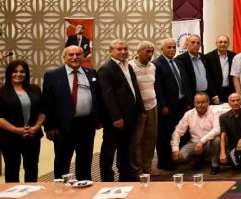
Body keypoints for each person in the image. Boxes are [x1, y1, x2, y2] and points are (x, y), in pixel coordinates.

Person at [43, 46, 102, 180]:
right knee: (62, 161)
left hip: (86, 125)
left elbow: (98, 97)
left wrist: (99, 119)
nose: (75, 57)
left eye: (78, 54)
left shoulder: (91, 73)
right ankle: (61, 189)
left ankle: (85, 185)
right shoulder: (52, 76)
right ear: (64, 58)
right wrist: (49, 127)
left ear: (83, 57)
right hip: (62, 126)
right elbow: (47, 102)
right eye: (71, 55)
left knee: (85, 160)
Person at [98, 40, 144, 182]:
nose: (123, 51)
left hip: (130, 115)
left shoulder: (128, 66)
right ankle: (107, 179)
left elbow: (134, 88)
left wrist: (140, 110)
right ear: (111, 51)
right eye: (119, 49)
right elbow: (108, 95)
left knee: (125, 148)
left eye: (125, 49)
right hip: (116, 119)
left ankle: (125, 175)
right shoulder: (106, 69)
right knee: (109, 150)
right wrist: (116, 117)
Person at [0, 61, 45, 182]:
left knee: (32, 168)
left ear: (26, 73)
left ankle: (31, 193)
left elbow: (42, 111)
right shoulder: (2, 92)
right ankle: (13, 193)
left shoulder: (35, 89)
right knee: (12, 168)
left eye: (22, 71)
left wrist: (36, 127)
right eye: (15, 71)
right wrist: (16, 130)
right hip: (10, 137)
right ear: (9, 73)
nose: (18, 74)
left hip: (32, 135)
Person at [153, 38, 189, 171]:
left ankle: (175, 157)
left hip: (180, 103)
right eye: (169, 47)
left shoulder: (178, 62)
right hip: (167, 106)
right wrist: (163, 105)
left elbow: (185, 83)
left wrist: (188, 101)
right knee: (165, 134)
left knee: (178, 132)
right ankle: (164, 162)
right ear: (162, 49)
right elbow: (157, 87)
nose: (172, 49)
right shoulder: (157, 64)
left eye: (174, 47)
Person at [171, 93, 221, 174]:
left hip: (209, 142)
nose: (200, 105)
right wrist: (175, 149)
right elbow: (177, 132)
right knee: (179, 158)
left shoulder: (215, 112)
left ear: (208, 102)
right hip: (194, 143)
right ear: (194, 103)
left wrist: (201, 141)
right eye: (197, 102)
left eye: (203, 102)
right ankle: (199, 158)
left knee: (217, 140)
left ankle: (214, 164)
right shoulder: (188, 114)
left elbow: (217, 129)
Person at [128, 41, 158, 176]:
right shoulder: (130, 66)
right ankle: (137, 169)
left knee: (150, 138)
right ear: (138, 52)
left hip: (153, 105)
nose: (150, 54)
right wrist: (139, 109)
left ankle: (148, 167)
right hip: (138, 108)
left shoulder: (153, 66)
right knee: (137, 139)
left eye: (152, 52)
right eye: (147, 51)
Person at [175, 34, 210, 104]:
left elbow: (209, 76)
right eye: (193, 42)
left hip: (206, 93)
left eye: (198, 43)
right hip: (191, 96)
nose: (195, 45)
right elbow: (183, 82)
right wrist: (188, 101)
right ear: (187, 44)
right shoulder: (180, 59)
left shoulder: (204, 57)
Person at [204, 35, 236, 104]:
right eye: (220, 42)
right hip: (215, 93)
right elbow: (208, 78)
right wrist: (214, 96)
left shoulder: (234, 56)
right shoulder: (208, 57)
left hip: (230, 91)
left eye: (225, 42)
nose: (223, 44)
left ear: (228, 44)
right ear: (216, 43)